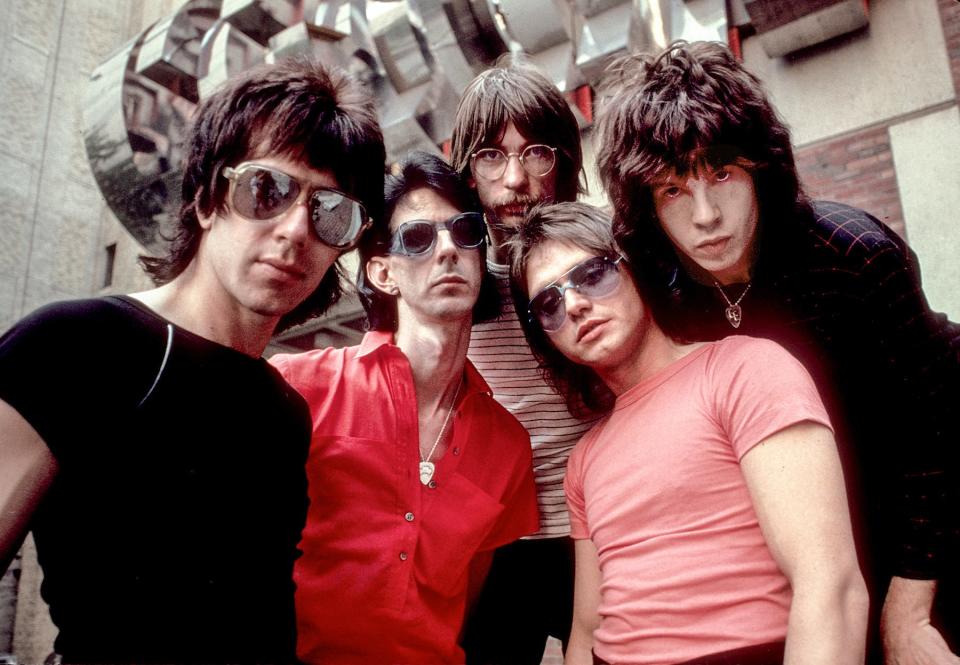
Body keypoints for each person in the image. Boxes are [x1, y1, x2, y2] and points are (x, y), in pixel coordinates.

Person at [0, 57, 385, 664]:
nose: (294, 231)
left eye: (330, 212)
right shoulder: (72, 346)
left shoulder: (283, 410)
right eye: (267, 189)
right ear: (208, 198)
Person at [594, 40, 960, 664]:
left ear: (762, 170)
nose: (707, 216)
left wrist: (908, 608)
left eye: (723, 175)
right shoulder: (663, 298)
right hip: (798, 572)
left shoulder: (854, 255)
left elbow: (936, 436)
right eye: (673, 191)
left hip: (921, 541)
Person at [508, 201, 868, 665]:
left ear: (633, 267)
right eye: (549, 303)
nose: (575, 304)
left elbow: (830, 585)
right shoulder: (586, 458)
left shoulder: (744, 369)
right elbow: (585, 632)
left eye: (593, 274)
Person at [270, 151, 539, 664]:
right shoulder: (300, 388)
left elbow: (468, 601)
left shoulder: (508, 445)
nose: (447, 251)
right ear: (382, 273)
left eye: (464, 232)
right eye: (417, 238)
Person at [449, 55, 597, 664]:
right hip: (495, 534)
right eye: (491, 156)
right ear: (468, 169)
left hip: (595, 528)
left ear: (562, 160)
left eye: (535, 151)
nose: (515, 179)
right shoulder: (450, 268)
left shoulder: (600, 259)